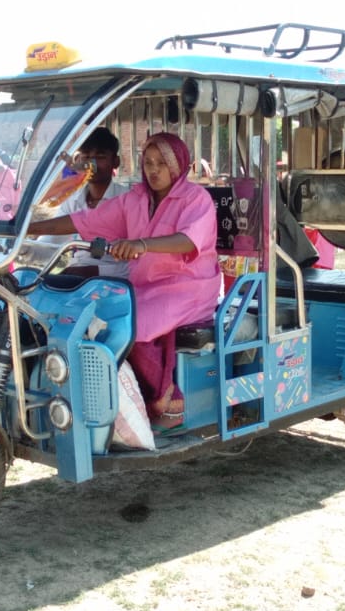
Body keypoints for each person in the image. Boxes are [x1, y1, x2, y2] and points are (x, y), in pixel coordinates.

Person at [27, 132, 219, 433]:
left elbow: (187, 240)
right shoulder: (135, 199)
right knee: (95, 319)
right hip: (143, 286)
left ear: (178, 165)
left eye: (162, 163)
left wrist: (141, 244)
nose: (153, 170)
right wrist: (27, 227)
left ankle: (167, 401)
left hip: (188, 288)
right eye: (148, 162)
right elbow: (82, 221)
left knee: (129, 328)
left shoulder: (196, 198)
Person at [39, 128, 130, 277]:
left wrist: (94, 271)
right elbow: (51, 243)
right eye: (86, 157)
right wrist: (21, 247)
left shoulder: (128, 200)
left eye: (100, 157)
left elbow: (140, 262)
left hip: (116, 281)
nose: (91, 164)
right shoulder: (72, 200)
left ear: (116, 162)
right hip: (76, 276)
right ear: (78, 161)